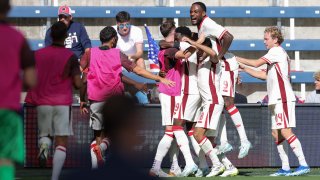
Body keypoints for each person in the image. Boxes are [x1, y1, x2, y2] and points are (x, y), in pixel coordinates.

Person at [79, 26, 174, 169]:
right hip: (114, 102)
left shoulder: (90, 54)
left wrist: (82, 100)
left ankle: (96, 169)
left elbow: (84, 79)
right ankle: (103, 151)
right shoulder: (118, 54)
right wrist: (158, 78)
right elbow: (139, 70)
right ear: (114, 39)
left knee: (98, 136)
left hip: (95, 100)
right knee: (115, 134)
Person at [236, 26, 310, 176]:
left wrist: (236, 58)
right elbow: (263, 75)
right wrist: (243, 68)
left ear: (275, 40)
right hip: (276, 99)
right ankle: (285, 167)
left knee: (285, 130)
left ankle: (303, 163)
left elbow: (257, 63)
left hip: (282, 98)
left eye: (266, 38)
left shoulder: (275, 51)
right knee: (276, 134)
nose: (264, 41)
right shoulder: (275, 54)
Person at [190, 1, 252, 159]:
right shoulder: (202, 26)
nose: (192, 14)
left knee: (227, 101)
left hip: (227, 64)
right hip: (221, 67)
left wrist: (219, 55)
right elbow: (203, 44)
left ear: (203, 13)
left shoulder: (208, 23)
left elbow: (229, 37)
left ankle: (244, 140)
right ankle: (224, 141)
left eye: (196, 11)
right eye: (191, 12)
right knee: (220, 102)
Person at [25, 21, 82, 180]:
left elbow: (28, 77)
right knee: (61, 141)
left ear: (50, 35)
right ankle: (54, 177)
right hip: (62, 102)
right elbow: (78, 83)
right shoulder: (71, 56)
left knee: (46, 134)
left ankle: (44, 145)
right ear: (65, 36)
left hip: (42, 101)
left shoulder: (37, 54)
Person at [62, 95, 159, 180]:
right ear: (135, 126)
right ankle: (99, 149)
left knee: (98, 140)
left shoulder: (74, 178)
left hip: (95, 102)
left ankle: (99, 150)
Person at [149, 20, 193, 177]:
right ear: (174, 33)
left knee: (172, 132)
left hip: (168, 91)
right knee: (171, 131)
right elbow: (184, 54)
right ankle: (156, 166)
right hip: (171, 91)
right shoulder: (170, 50)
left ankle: (174, 167)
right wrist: (196, 43)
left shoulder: (166, 47)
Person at [0, 1, 36, 179]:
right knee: (5, 160)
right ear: (7, 9)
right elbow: (31, 79)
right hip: (8, 109)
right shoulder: (17, 37)